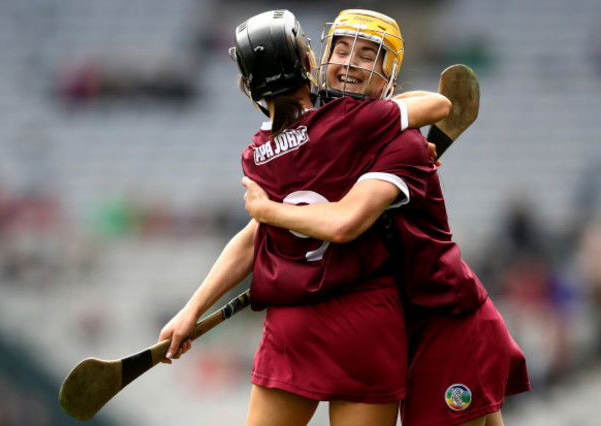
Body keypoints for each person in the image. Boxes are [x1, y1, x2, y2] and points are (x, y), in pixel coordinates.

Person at [158, 9, 451, 426]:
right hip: (366, 322)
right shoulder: (365, 125)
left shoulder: (255, 158)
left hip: (292, 327)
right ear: (310, 62)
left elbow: (252, 238)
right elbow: (438, 105)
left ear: (248, 86)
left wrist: (191, 310)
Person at [241, 9, 531, 426]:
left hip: (442, 320)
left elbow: (343, 223)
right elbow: (260, 233)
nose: (350, 64)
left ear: (388, 77)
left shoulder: (400, 142)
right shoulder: (330, 138)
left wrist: (269, 210)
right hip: (399, 322)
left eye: (367, 55)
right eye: (342, 50)